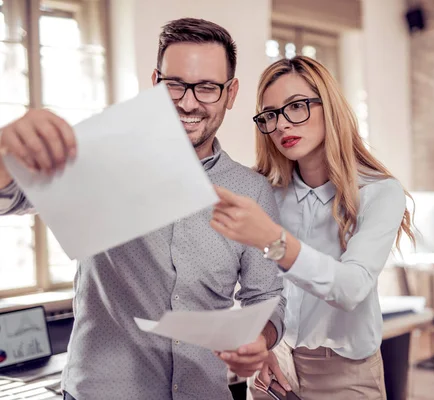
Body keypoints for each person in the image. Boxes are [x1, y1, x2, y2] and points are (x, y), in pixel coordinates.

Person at [0, 18, 285, 400]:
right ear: (155, 82)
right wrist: (5, 151)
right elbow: (11, 198)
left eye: (206, 88)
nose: (188, 102)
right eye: (175, 85)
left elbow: (267, 296)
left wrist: (259, 338)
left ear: (231, 93)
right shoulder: (99, 160)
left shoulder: (253, 191)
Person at [209, 56, 414, 400]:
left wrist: (274, 242)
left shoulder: (379, 192)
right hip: (273, 368)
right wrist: (260, 344)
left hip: (345, 375)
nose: (283, 126)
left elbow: (351, 288)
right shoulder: (266, 193)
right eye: (271, 115)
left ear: (329, 107)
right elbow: (255, 288)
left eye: (298, 106)